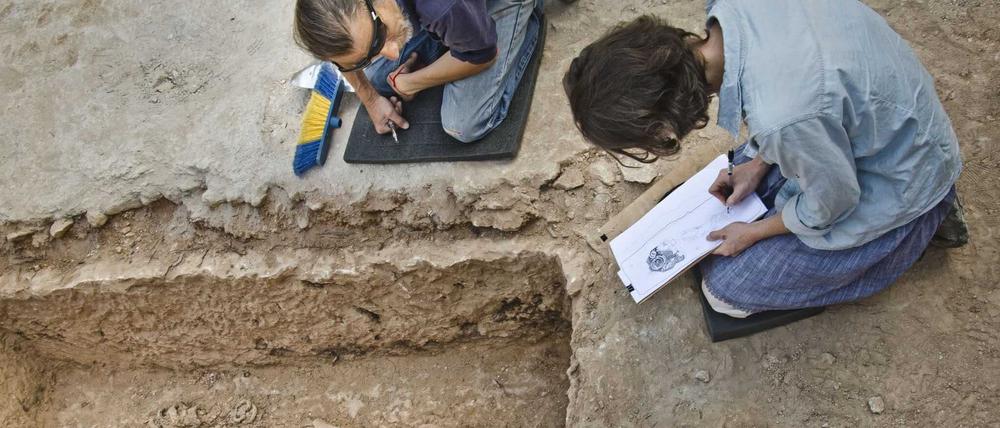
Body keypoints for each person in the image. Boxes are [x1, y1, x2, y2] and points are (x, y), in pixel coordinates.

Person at [563, 0, 968, 317]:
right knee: (744, 176)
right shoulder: (731, 11)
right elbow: (792, 105)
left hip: (905, 174)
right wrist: (756, 163)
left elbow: (836, 201)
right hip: (864, 121)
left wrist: (754, 233)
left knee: (727, 289)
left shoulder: (783, 119)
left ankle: (917, 229)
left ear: (665, 117)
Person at [294, 0, 541, 143]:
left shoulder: (441, 5)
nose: (391, 53)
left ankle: (521, 16)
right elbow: (337, 55)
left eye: (379, 36)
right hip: (446, 12)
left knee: (464, 124)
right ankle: (459, 32)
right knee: (375, 77)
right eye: (374, 48)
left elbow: (482, 56)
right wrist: (370, 99)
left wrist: (413, 82)